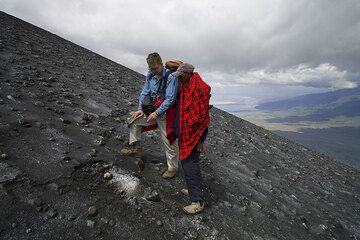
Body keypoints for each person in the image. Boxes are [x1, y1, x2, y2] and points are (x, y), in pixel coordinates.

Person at [120, 52, 179, 179]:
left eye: (155, 68)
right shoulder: (150, 75)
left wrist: (156, 113)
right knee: (134, 120)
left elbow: (170, 99)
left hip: (165, 113)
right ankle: (135, 148)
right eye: (150, 68)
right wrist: (140, 109)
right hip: (151, 109)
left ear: (161, 65)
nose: (153, 71)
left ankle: (172, 169)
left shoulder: (171, 77)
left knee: (168, 140)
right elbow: (144, 92)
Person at [172, 63, 211, 214]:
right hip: (187, 133)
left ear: (188, 74)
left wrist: (201, 139)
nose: (179, 78)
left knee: (191, 165)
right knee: (189, 163)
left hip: (194, 136)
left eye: (181, 75)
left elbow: (203, 119)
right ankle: (193, 190)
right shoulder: (188, 86)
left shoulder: (199, 90)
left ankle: (198, 202)